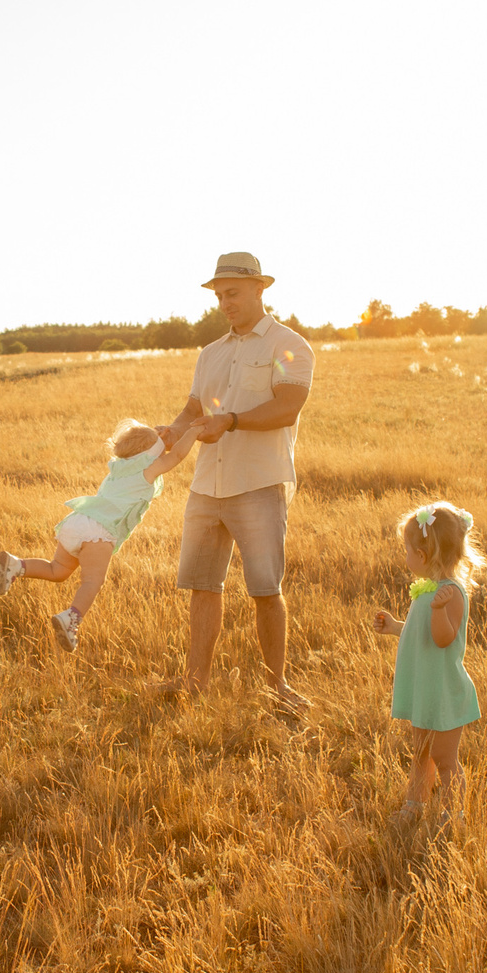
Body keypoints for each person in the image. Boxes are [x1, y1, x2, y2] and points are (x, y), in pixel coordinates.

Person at [163, 252, 314, 710]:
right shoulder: (211, 352)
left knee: (266, 589)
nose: (225, 303)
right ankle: (196, 681)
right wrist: (169, 432)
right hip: (207, 484)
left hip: (258, 483)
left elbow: (288, 406)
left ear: (259, 290)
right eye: (219, 295)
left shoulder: (290, 346)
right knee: (202, 585)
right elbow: (194, 409)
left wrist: (229, 421)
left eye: (232, 294)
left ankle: (277, 687)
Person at [0, 417, 201, 650]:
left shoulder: (119, 468)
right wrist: (194, 432)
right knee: (92, 581)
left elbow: (149, 451)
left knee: (57, 570)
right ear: (151, 455)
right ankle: (71, 618)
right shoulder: (147, 471)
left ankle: (16, 565)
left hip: (78, 520)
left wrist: (155, 439)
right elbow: (177, 456)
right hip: (100, 531)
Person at [369, 501, 483, 827]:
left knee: (445, 760)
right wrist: (395, 627)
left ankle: (453, 814)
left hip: (443, 691)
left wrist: (437, 610)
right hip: (424, 689)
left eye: (407, 550)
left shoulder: (452, 593)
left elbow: (443, 638)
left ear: (422, 556)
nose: (404, 557)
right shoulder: (428, 591)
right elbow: (421, 634)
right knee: (421, 753)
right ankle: (414, 804)